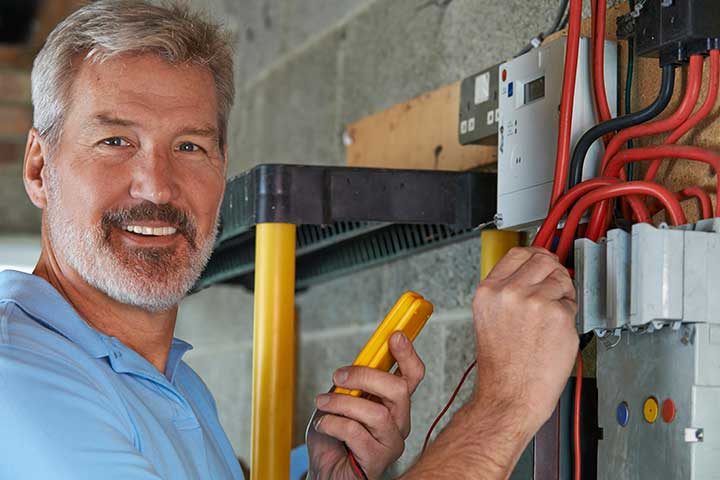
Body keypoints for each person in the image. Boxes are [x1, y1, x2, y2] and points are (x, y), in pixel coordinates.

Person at [0, 1, 578, 479]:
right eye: (115, 141)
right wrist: (503, 407)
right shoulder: (20, 380)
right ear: (37, 168)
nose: (157, 185)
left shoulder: (168, 383)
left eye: (190, 147)